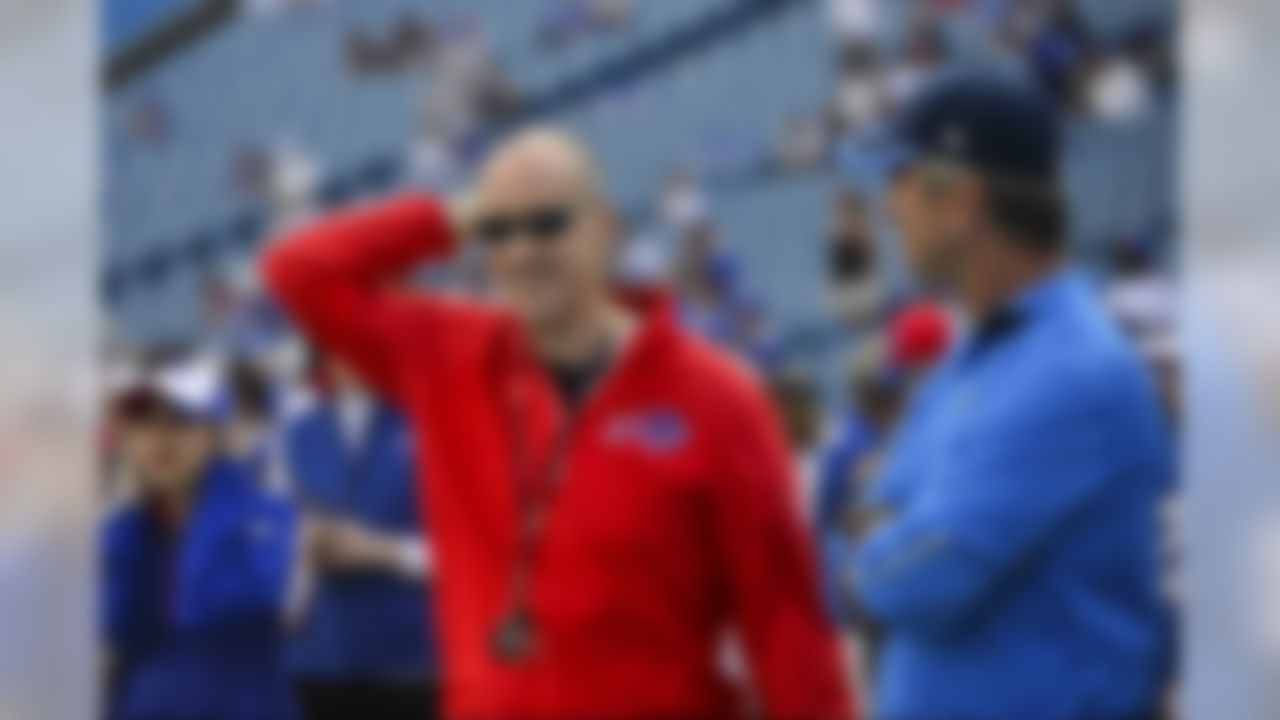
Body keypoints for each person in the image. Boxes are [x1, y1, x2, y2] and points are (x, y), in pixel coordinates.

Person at [262, 128, 852, 719]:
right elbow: (296, 271)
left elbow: (787, 626)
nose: (522, 251)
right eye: (499, 230)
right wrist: (452, 216)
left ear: (604, 227)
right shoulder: (449, 355)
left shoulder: (718, 398)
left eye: (547, 224)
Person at [849, 73, 1173, 718]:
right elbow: (868, 514)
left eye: (902, 180)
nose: (889, 207)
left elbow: (920, 581)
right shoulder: (975, 357)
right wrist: (885, 537)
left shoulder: (1072, 369)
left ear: (963, 201)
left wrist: (876, 550)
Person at [101, 357, 300, 720]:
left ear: (215, 433)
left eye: (181, 420)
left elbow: (210, 602)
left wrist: (204, 504)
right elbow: (115, 621)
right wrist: (129, 522)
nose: (161, 438)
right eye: (143, 421)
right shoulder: (125, 528)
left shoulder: (268, 515)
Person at [284, 354, 440, 720]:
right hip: (315, 662)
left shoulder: (432, 425)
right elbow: (273, 545)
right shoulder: (296, 432)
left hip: (412, 662)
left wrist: (383, 552)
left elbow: (475, 557)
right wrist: (300, 547)